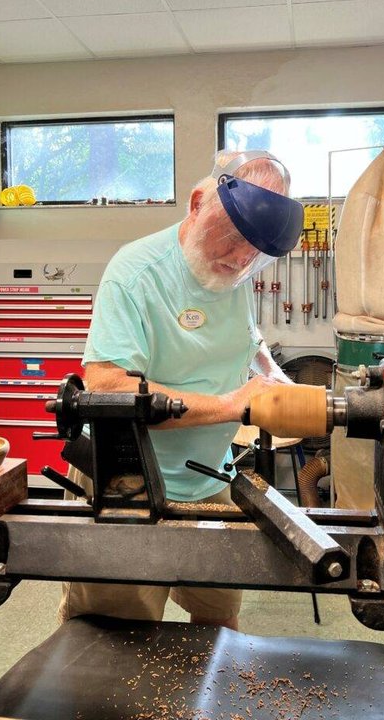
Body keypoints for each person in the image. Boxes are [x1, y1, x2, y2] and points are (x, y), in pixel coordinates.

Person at [58, 149, 304, 630]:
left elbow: (246, 335)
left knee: (219, 620)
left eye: (255, 250)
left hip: (208, 477)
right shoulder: (135, 272)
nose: (242, 259)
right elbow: (108, 389)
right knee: (115, 636)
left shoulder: (233, 269)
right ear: (197, 203)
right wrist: (232, 405)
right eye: (234, 238)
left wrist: (272, 372)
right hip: (127, 481)